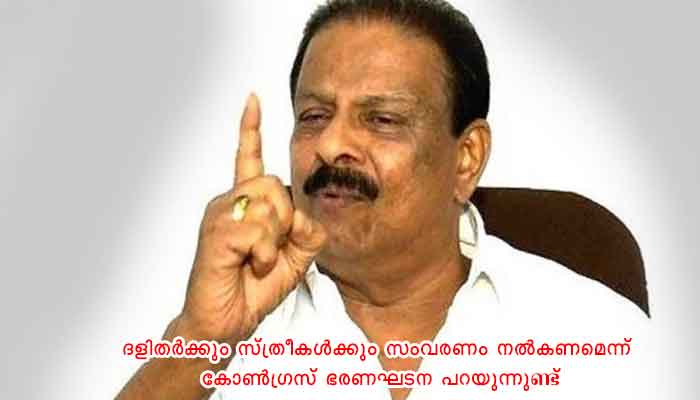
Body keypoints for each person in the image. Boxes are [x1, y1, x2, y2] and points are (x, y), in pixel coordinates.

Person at [117, 1, 648, 399]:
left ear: (467, 158)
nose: (331, 145)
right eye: (314, 116)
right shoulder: (213, 329)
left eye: (382, 120)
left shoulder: (594, 335)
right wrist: (203, 338)